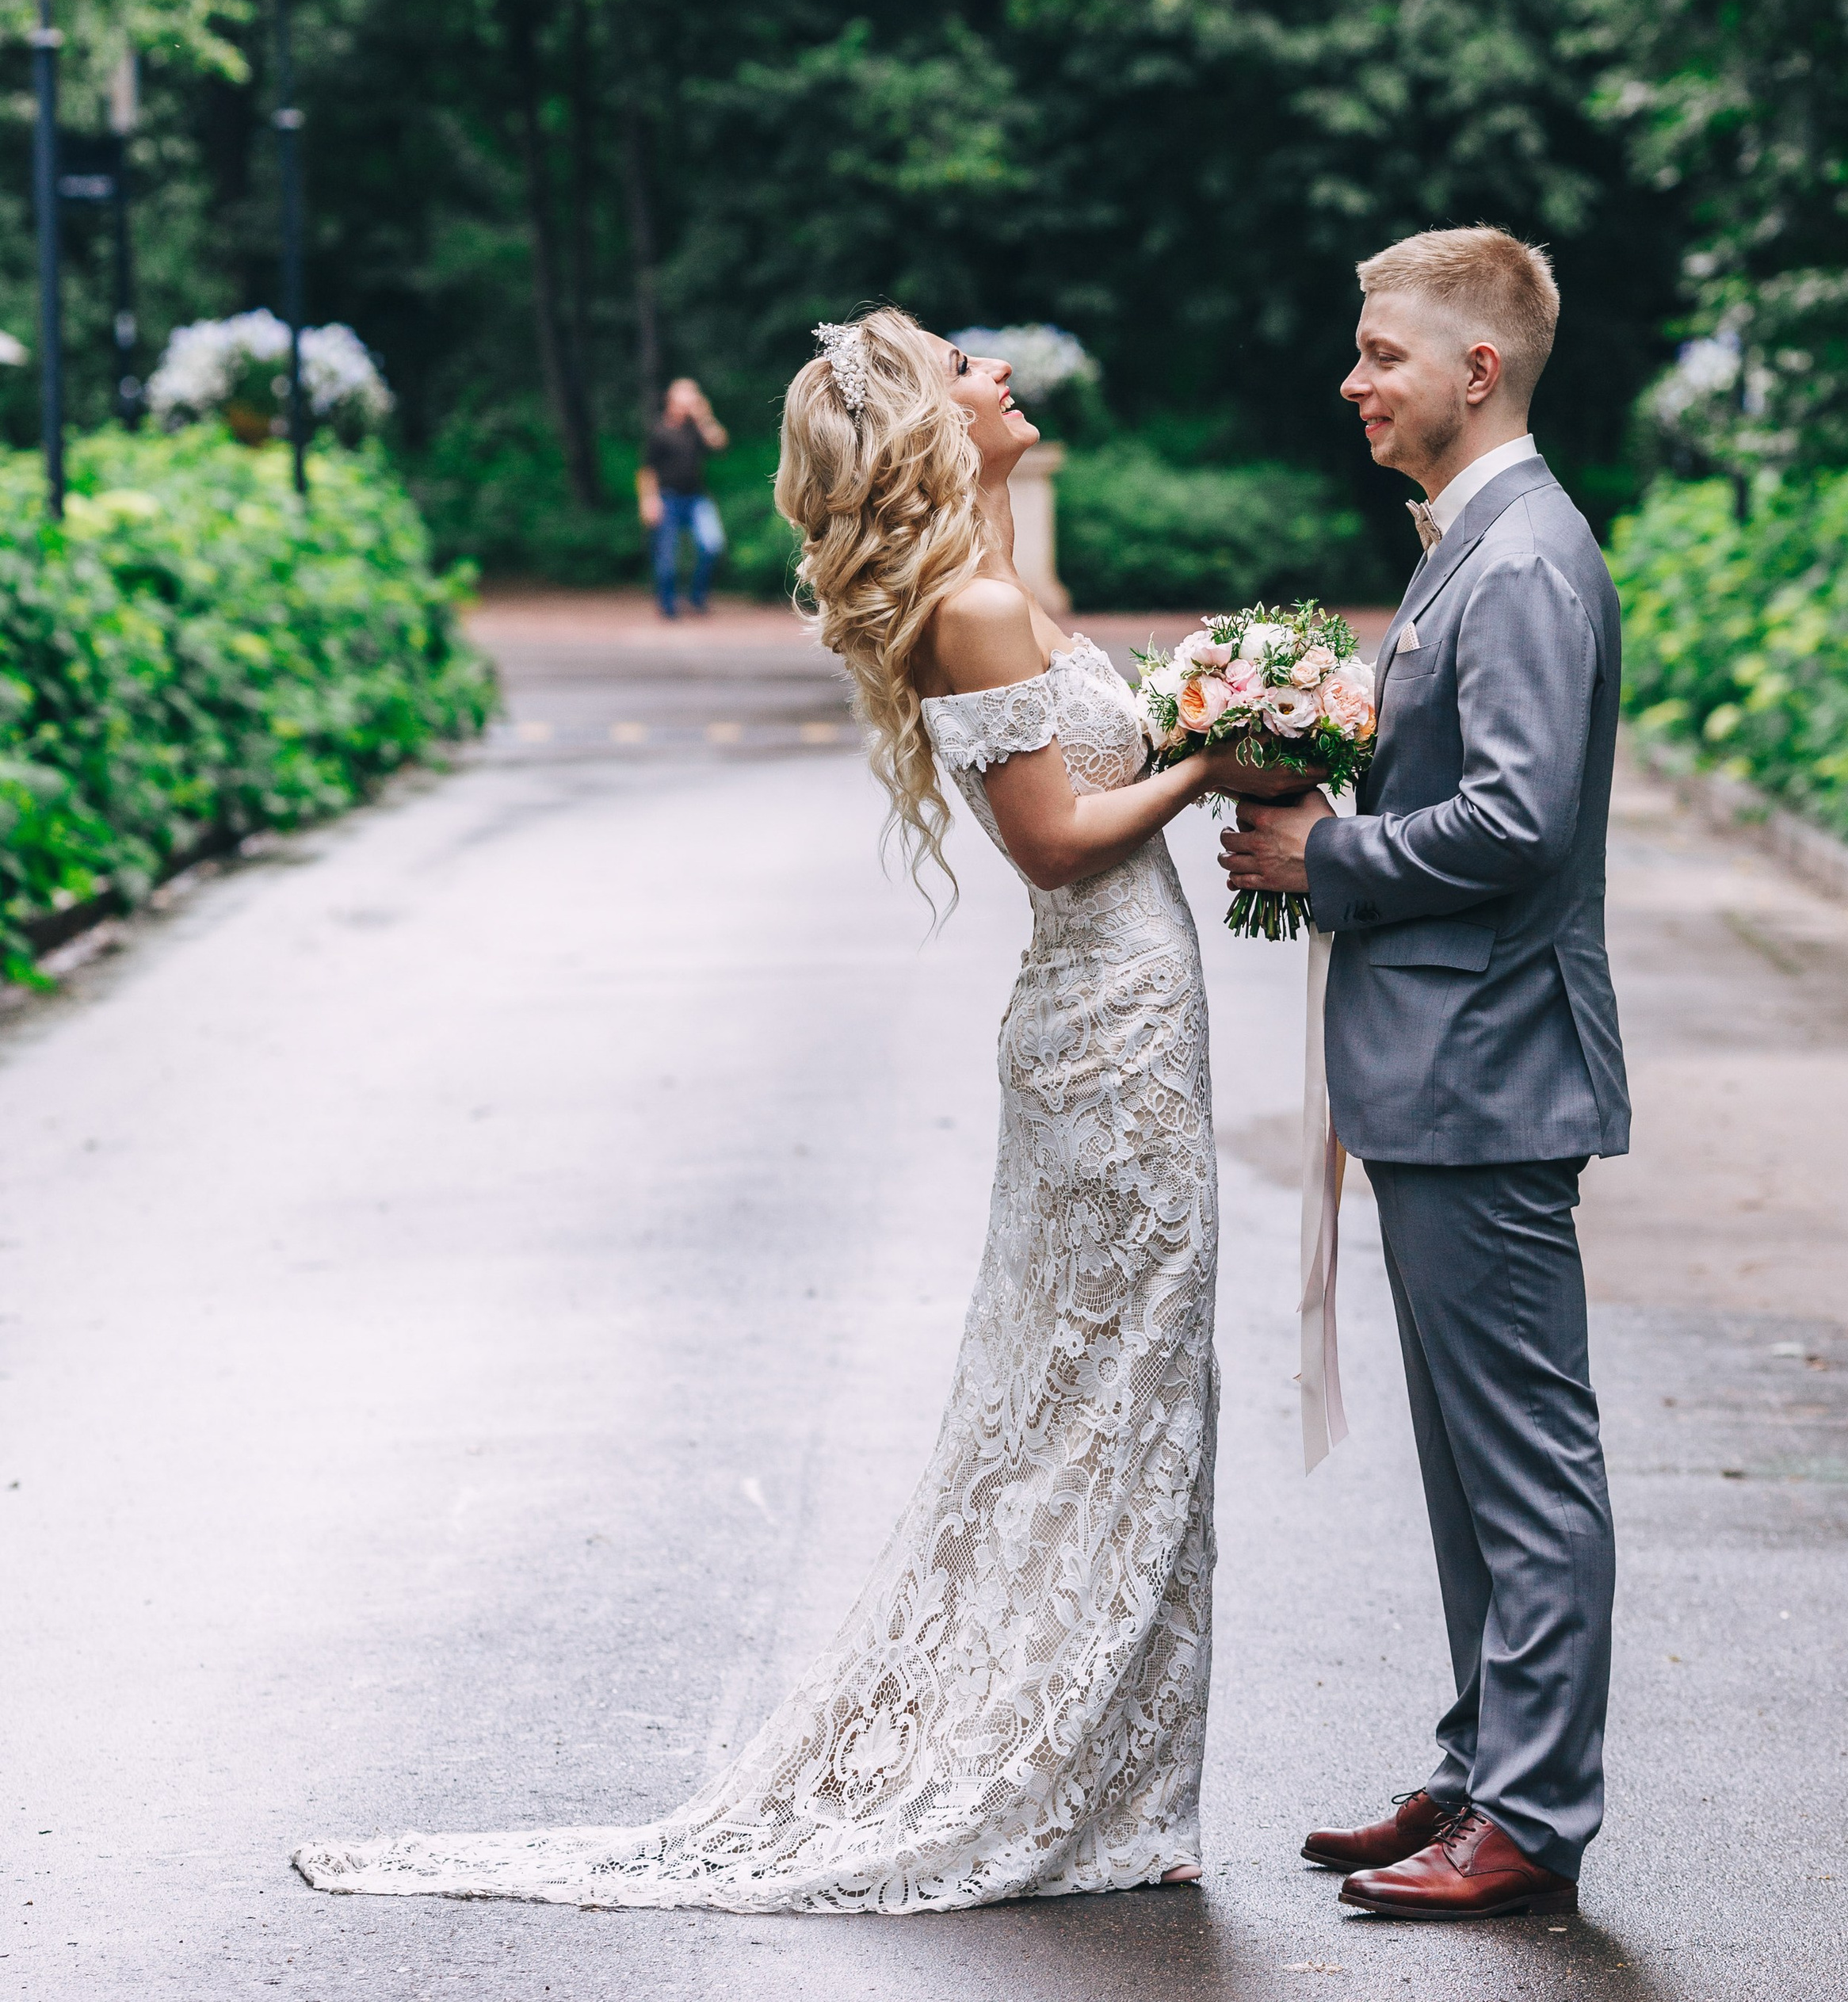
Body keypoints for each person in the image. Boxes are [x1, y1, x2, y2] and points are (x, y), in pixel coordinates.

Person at [296, 304, 1281, 1916]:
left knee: (1124, 1393)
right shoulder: (968, 605)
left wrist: (1189, 718)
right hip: (1103, 1031)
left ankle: (1113, 1772)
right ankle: (1055, 1771)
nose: (1001, 376)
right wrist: (1224, 747)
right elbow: (1051, 838)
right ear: (924, 424)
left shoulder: (989, 581)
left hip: (1124, 1018)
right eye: (971, 368)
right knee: (1094, 1401)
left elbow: (1081, 759)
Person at [1221, 227, 1628, 1923]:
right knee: (1470, 1457)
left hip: (1488, 1065)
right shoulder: (1477, 543)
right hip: (1441, 1067)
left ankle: (1527, 1818)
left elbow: (1522, 823)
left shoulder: (1522, 558)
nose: (1352, 379)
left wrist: (1332, 852)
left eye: (1382, 353)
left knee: (1521, 1458)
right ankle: (1478, 1767)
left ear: (1477, 371)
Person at [640, 376, 727, 617]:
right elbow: (647, 470)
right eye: (686, 393)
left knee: (712, 545)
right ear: (672, 399)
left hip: (696, 498)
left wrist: (704, 417)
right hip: (667, 498)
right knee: (666, 557)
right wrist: (649, 501)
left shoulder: (696, 428)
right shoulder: (659, 430)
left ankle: (697, 598)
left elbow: (719, 445)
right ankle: (667, 607)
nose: (692, 398)